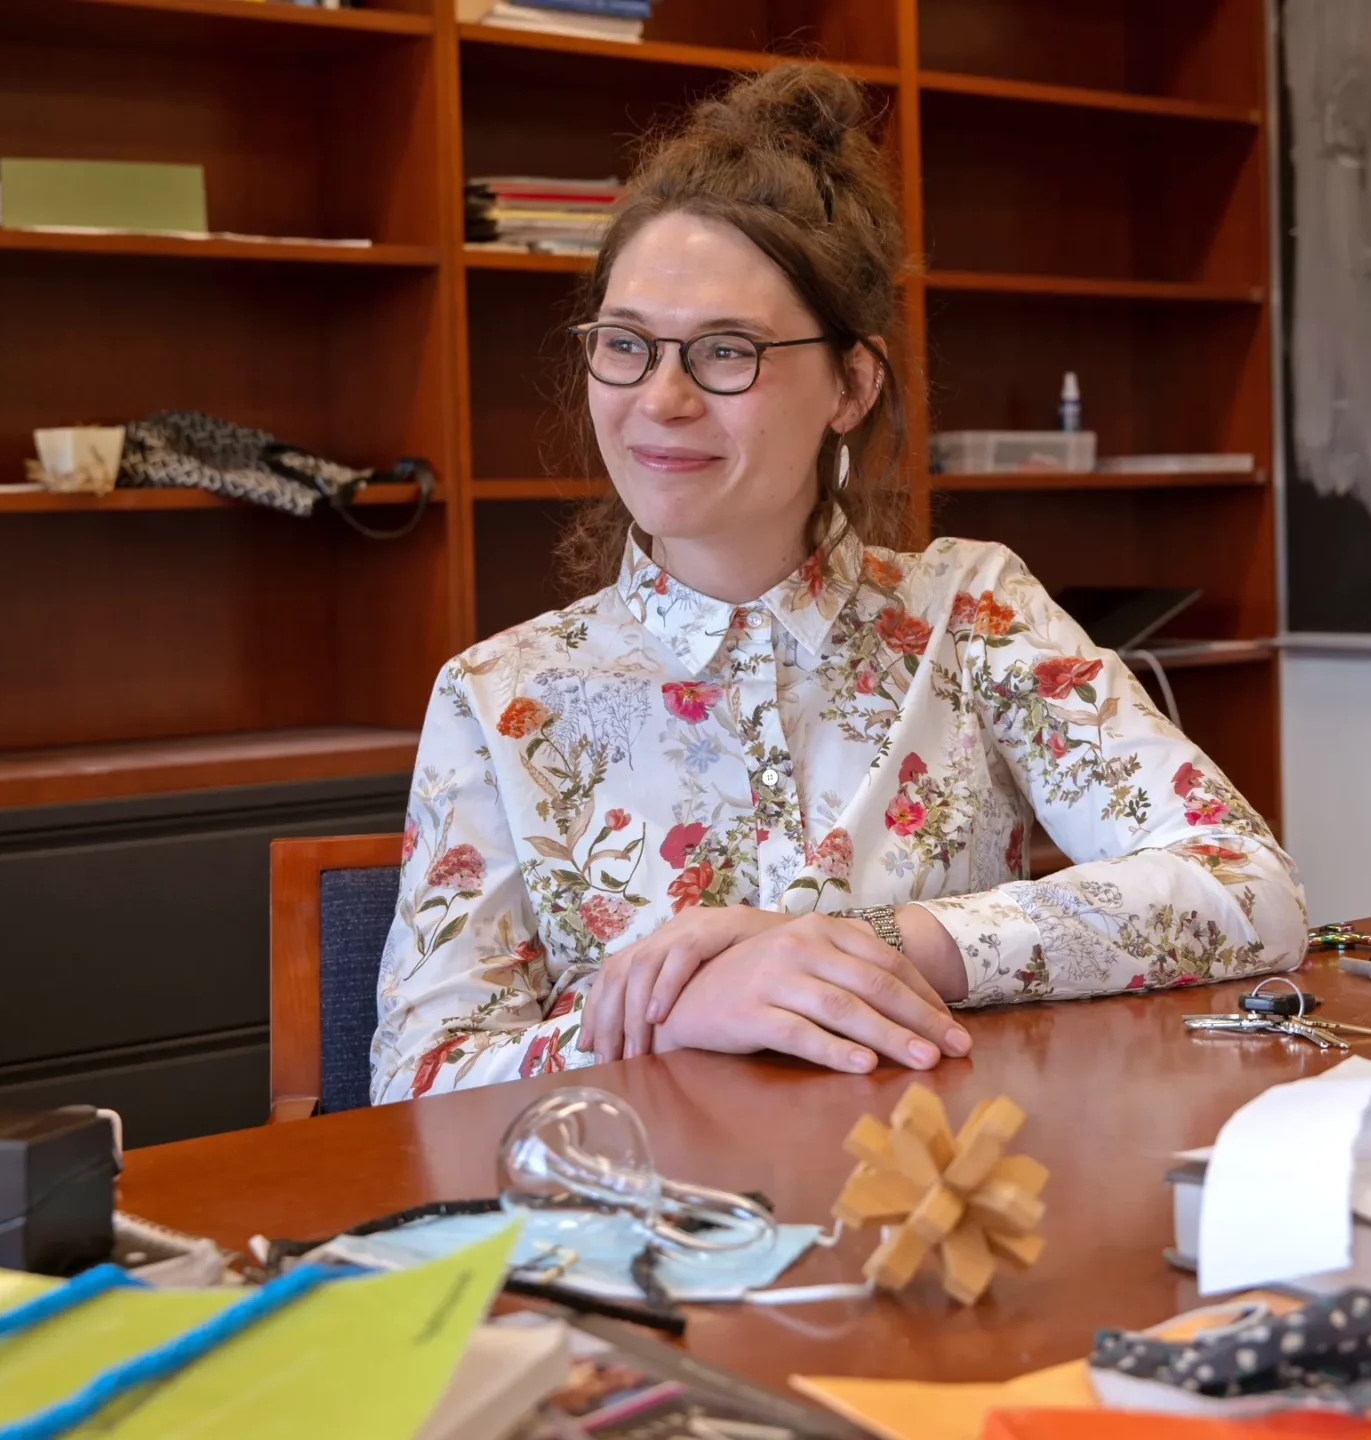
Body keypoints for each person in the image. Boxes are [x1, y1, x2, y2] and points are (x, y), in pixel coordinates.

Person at [371, 62, 1306, 1104]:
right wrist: (670, 1022)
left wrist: (866, 945)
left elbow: (1249, 887)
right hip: (651, 1241)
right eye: (626, 346)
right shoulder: (500, 697)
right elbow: (415, 1084)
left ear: (851, 385)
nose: (660, 400)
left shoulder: (973, 612)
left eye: (725, 352)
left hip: (939, 1211)